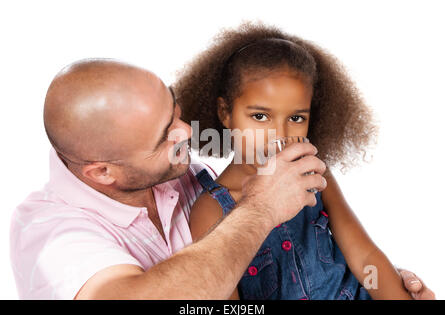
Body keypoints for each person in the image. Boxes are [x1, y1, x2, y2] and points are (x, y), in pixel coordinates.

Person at [10, 59, 327, 299]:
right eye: (165, 135)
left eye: (174, 111)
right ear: (102, 172)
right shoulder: (49, 237)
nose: (187, 132)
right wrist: (261, 209)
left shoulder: (181, 172)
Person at [174, 22, 435, 299]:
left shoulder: (315, 175)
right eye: (260, 117)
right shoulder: (211, 210)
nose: (280, 135)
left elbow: (364, 256)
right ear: (225, 112)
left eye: (296, 118)